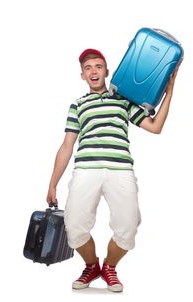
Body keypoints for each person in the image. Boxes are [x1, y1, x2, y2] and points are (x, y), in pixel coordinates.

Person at [46, 48, 177, 292]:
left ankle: (109, 267)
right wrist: (52, 183)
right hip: (86, 169)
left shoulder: (124, 101)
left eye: (98, 66)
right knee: (74, 227)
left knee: (128, 227)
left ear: (107, 71)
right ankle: (92, 265)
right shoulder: (78, 105)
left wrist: (170, 92)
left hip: (120, 170)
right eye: (88, 68)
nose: (93, 71)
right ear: (82, 75)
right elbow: (66, 146)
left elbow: (155, 126)